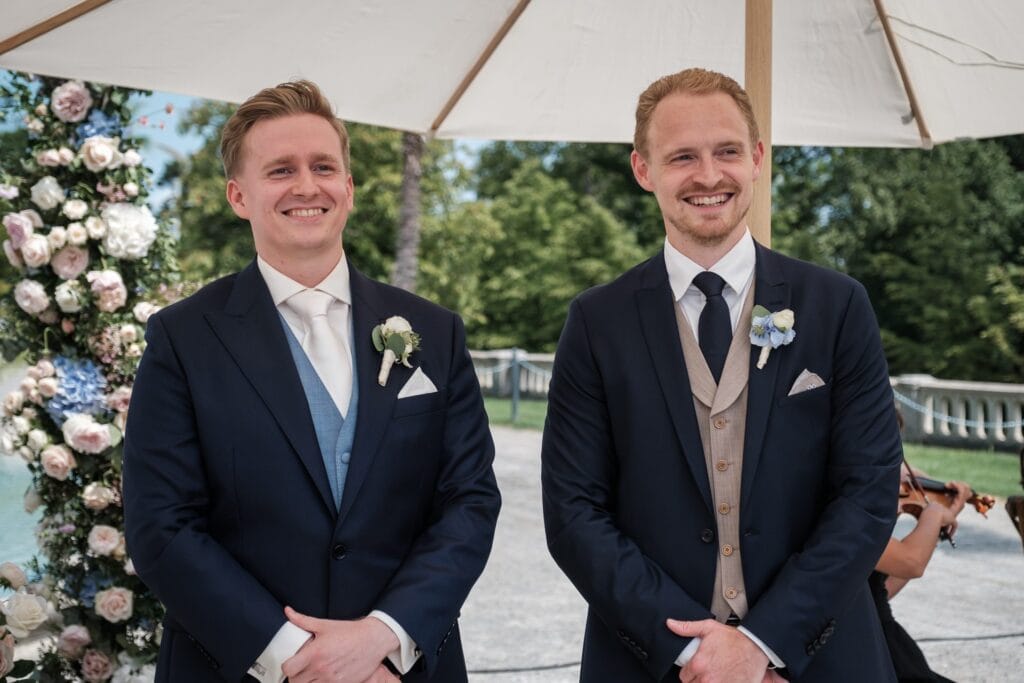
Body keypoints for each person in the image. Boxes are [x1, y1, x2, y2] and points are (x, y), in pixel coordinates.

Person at [123, 80, 501, 683]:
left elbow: (470, 503)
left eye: (323, 166)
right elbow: (160, 526)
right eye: (280, 170)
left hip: (404, 669)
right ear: (238, 195)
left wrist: (384, 638)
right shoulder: (181, 339)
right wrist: (296, 659)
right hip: (239, 668)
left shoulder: (436, 330)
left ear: (348, 189)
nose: (306, 185)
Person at [541, 68, 902, 682]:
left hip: (820, 658)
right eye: (682, 156)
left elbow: (867, 496)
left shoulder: (837, 306)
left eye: (727, 151)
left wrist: (762, 642)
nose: (709, 176)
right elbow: (574, 512)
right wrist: (695, 651)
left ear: (757, 158)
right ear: (643, 170)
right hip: (653, 661)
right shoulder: (596, 321)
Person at [871, 461, 971, 683]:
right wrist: (933, 514)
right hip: (870, 651)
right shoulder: (847, 515)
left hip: (880, 642)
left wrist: (931, 533)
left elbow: (881, 591)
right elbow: (911, 562)